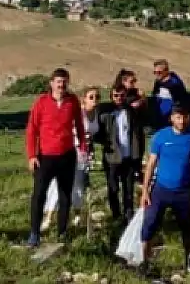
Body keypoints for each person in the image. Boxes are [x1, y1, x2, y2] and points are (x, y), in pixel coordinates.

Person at [139, 103, 190, 276]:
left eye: (185, 116)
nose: (182, 121)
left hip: (184, 191)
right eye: (178, 117)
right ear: (171, 118)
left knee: (187, 228)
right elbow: (151, 164)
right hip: (161, 189)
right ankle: (145, 262)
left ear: (189, 117)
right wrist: (145, 191)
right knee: (149, 226)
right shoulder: (160, 137)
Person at [24, 68, 88, 248]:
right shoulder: (42, 103)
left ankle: (62, 232)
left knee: (65, 195)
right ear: (51, 83)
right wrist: (31, 155)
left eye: (64, 81)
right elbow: (32, 130)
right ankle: (34, 233)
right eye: (58, 81)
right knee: (38, 195)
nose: (61, 85)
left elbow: (79, 125)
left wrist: (82, 146)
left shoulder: (72, 101)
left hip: (67, 155)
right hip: (45, 157)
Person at [41, 87, 100, 231]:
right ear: (84, 99)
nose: (95, 100)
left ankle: (77, 215)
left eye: (97, 97)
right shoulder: (78, 113)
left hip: (85, 153)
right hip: (69, 150)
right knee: (58, 184)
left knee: (79, 184)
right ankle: (49, 216)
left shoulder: (96, 114)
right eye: (91, 97)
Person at [98, 83, 145, 222]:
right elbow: (99, 134)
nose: (119, 98)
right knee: (113, 188)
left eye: (122, 95)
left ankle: (128, 215)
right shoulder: (106, 114)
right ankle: (116, 215)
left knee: (128, 188)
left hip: (129, 156)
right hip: (112, 156)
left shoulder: (132, 112)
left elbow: (138, 134)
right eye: (116, 96)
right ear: (111, 96)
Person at [150, 59, 187, 128]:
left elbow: (179, 102)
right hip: (159, 117)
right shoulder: (158, 82)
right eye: (155, 72)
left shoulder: (174, 84)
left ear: (166, 71)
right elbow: (155, 95)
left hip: (170, 119)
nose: (157, 74)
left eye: (159, 72)